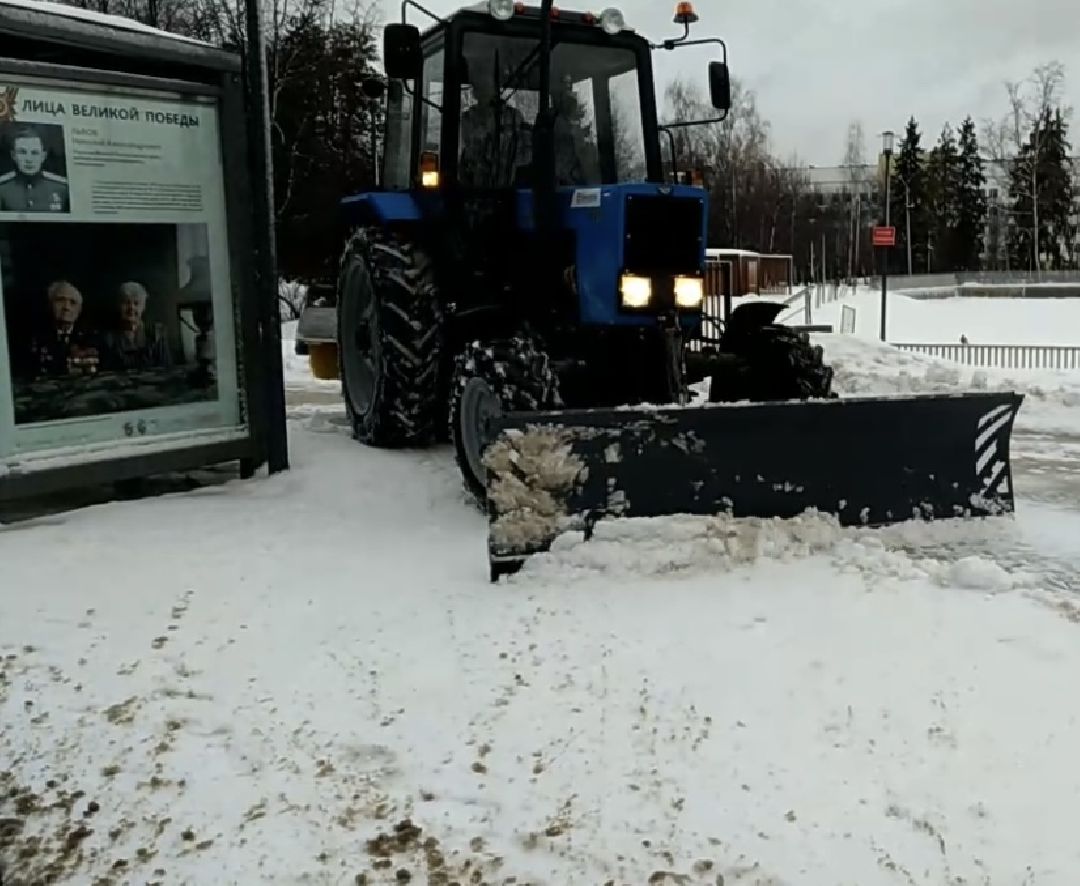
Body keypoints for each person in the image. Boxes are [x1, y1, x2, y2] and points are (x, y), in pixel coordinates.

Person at [458, 73, 530, 187]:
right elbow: (463, 151)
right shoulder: (467, 118)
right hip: (473, 187)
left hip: (506, 186)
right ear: (474, 93)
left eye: (487, 87)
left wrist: (508, 161)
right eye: (479, 87)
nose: (483, 91)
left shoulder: (513, 117)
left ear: (495, 89)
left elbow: (528, 150)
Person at [22, 280, 100, 378]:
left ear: (79, 311)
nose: (66, 307)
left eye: (73, 303)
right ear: (49, 305)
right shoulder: (34, 338)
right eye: (60, 300)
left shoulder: (93, 337)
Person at [103, 281, 172, 370]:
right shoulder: (108, 338)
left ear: (143, 307)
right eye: (126, 303)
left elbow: (166, 368)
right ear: (119, 305)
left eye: (136, 303)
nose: (131, 307)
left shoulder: (156, 334)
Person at [0, 124, 69, 212]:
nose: (29, 159)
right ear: (13, 155)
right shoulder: (2, 189)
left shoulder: (62, 188)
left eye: (34, 153)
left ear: (43, 156)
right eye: (22, 152)